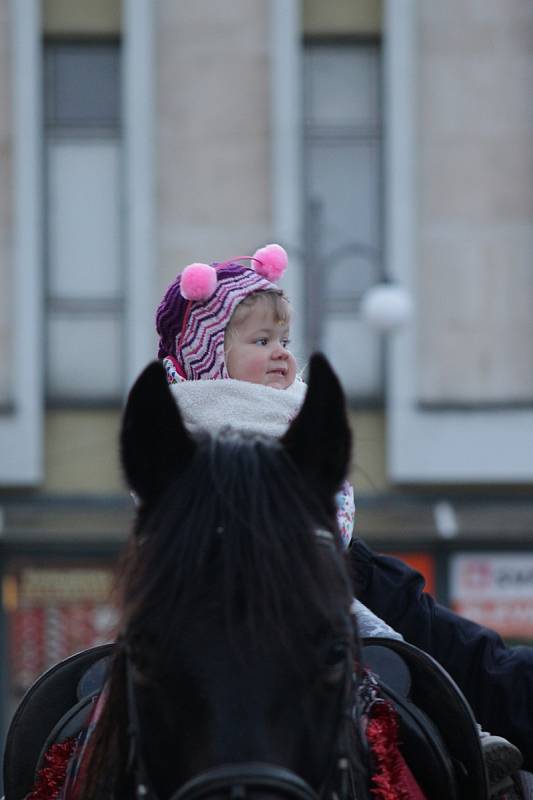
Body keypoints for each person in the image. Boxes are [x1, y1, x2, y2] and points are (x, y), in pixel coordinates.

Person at [155, 244, 524, 797]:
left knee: (402, 646)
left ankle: (462, 727)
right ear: (209, 357)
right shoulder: (201, 418)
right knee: (382, 640)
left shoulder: (291, 409)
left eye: (283, 340)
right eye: (259, 342)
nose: (280, 353)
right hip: (255, 578)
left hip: (322, 565)